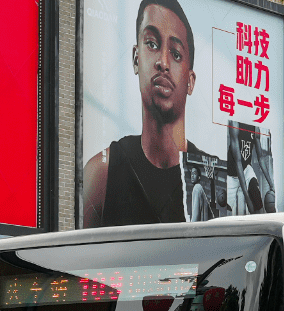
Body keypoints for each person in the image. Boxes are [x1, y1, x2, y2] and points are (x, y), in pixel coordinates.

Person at [82, 0, 210, 227]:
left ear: (190, 82)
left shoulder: (212, 178)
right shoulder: (102, 173)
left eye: (176, 54)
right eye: (151, 44)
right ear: (135, 58)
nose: (163, 62)